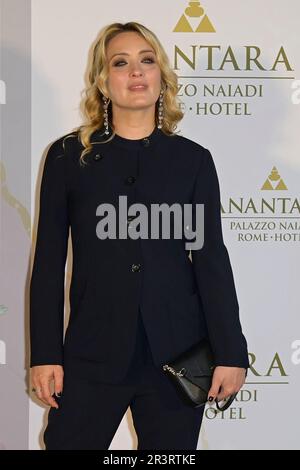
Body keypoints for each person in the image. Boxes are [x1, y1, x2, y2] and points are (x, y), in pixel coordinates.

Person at [29, 21, 249, 450]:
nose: (136, 73)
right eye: (121, 63)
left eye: (147, 61)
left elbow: (211, 262)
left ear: (161, 77)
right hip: (92, 353)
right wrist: (45, 354)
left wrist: (231, 352)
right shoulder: (67, 158)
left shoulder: (193, 162)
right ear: (102, 81)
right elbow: (48, 264)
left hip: (176, 357)